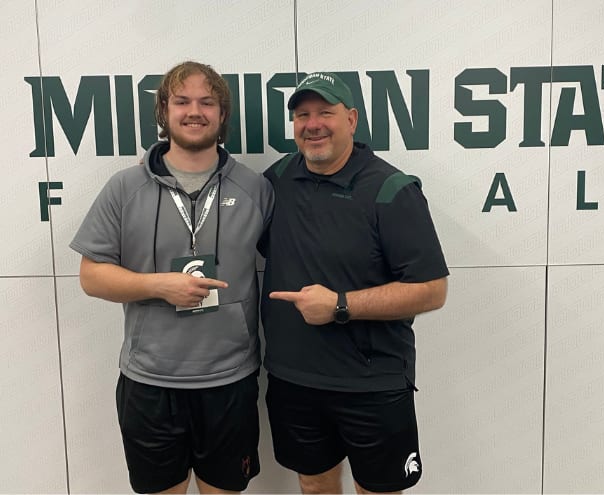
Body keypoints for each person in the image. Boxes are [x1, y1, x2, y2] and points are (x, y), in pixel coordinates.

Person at [70, 61, 273, 494]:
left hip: (229, 381)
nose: (194, 111)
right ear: (164, 111)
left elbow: (293, 260)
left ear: (222, 114)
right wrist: (159, 285)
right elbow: (91, 276)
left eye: (207, 102)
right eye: (181, 101)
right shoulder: (124, 189)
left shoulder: (255, 189)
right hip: (149, 383)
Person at [260, 72, 449, 494]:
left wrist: (340, 305)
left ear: (351, 119)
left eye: (325, 112)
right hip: (294, 378)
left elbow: (432, 289)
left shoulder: (390, 189)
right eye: (302, 115)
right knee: (314, 485)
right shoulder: (277, 179)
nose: (313, 124)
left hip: (371, 383)